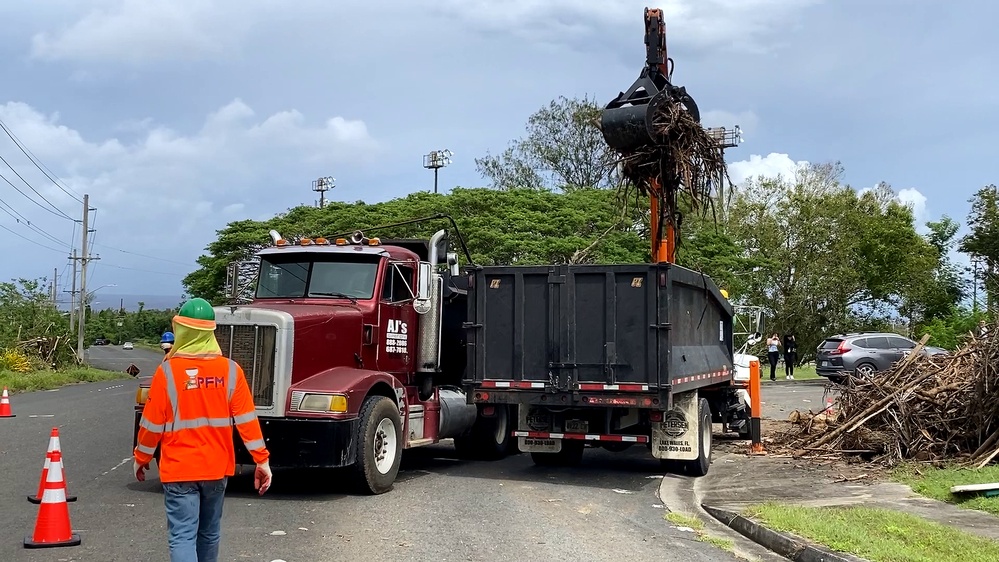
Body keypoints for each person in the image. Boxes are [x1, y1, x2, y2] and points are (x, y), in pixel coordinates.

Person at [133, 298, 272, 562]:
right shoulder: (231, 371)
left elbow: (151, 424)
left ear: (181, 331)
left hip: (179, 469)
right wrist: (261, 461)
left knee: (183, 536)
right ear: (211, 331)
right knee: (209, 533)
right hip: (216, 468)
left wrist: (142, 458)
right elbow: (247, 422)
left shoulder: (167, 372)